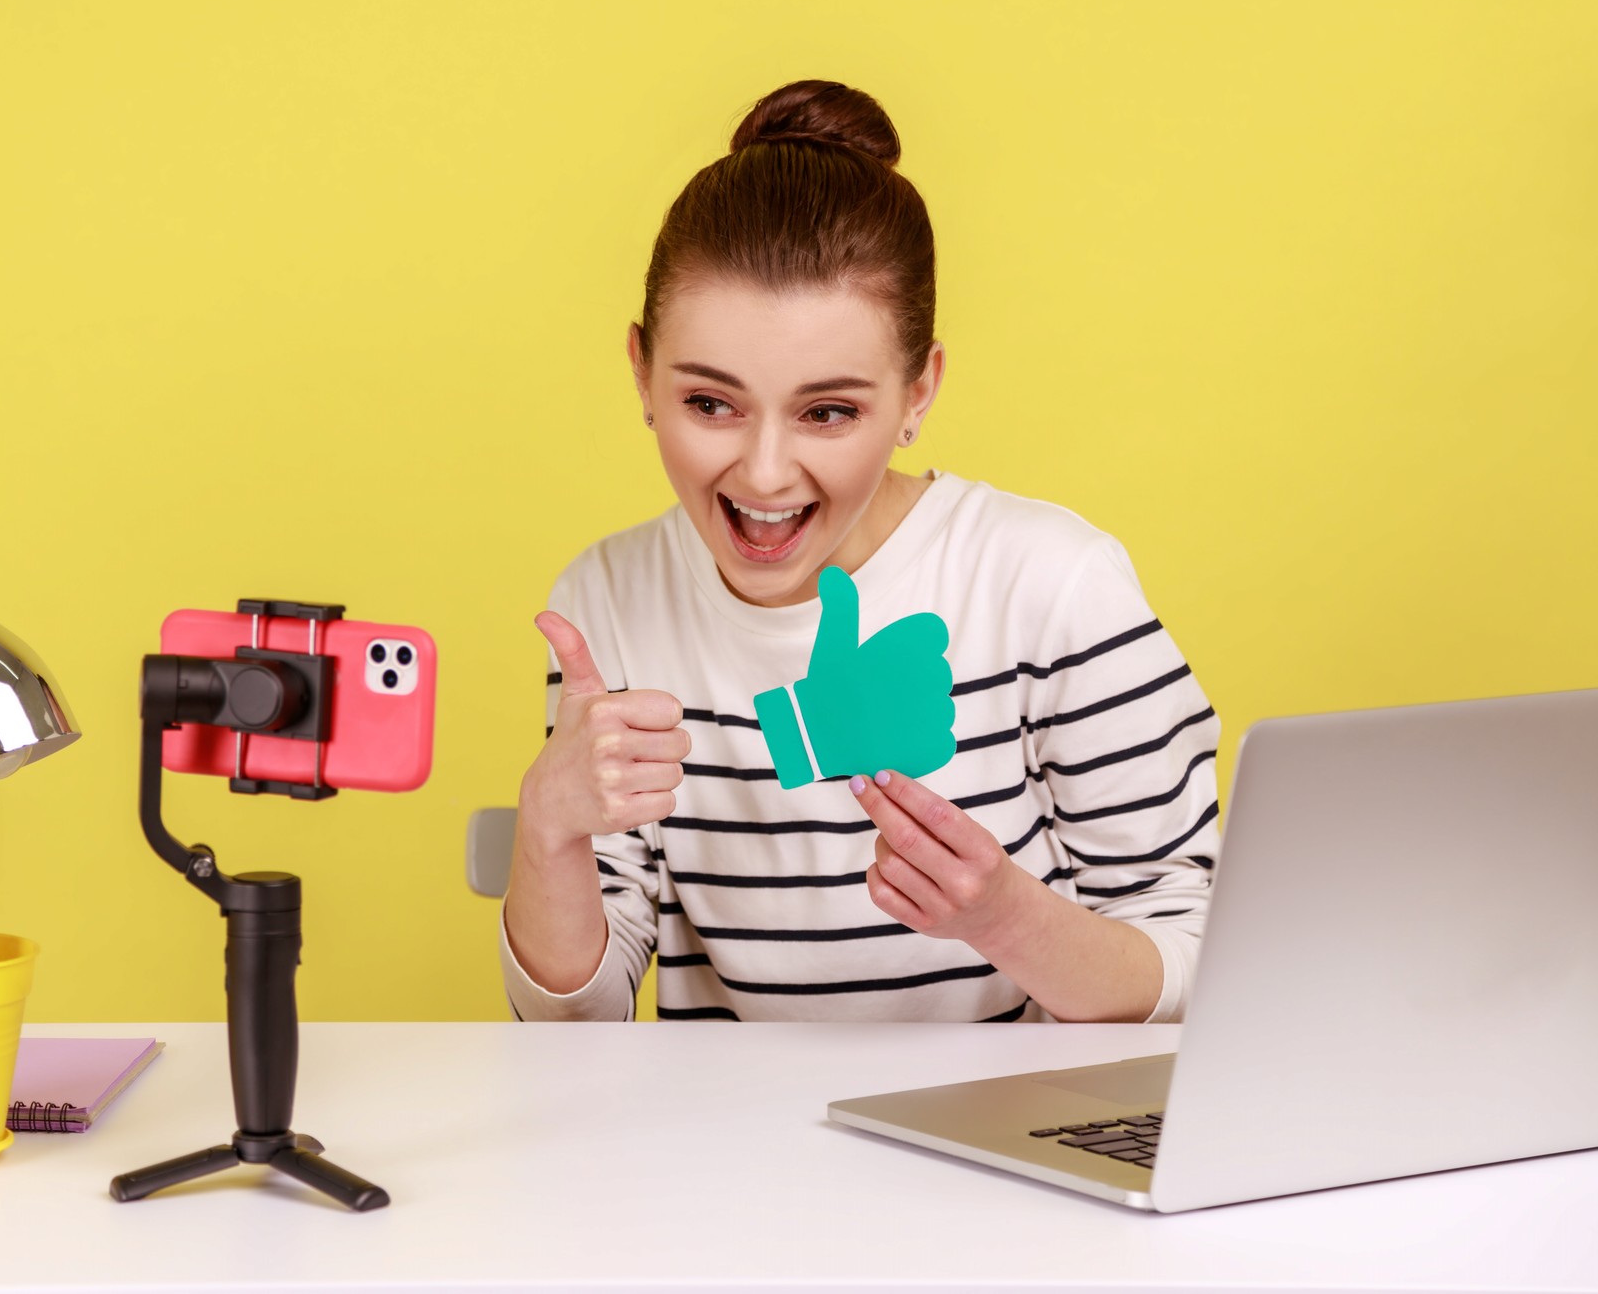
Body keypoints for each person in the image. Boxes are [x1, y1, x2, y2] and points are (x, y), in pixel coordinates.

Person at [500, 79, 1221, 1025]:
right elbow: (573, 1023)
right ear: (641, 371)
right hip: (726, 1152)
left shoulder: (1048, 584)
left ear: (918, 392)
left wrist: (1005, 918)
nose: (763, 473)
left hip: (1013, 1151)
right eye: (710, 403)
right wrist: (547, 826)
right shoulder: (607, 599)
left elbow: (1198, 956)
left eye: (828, 411)